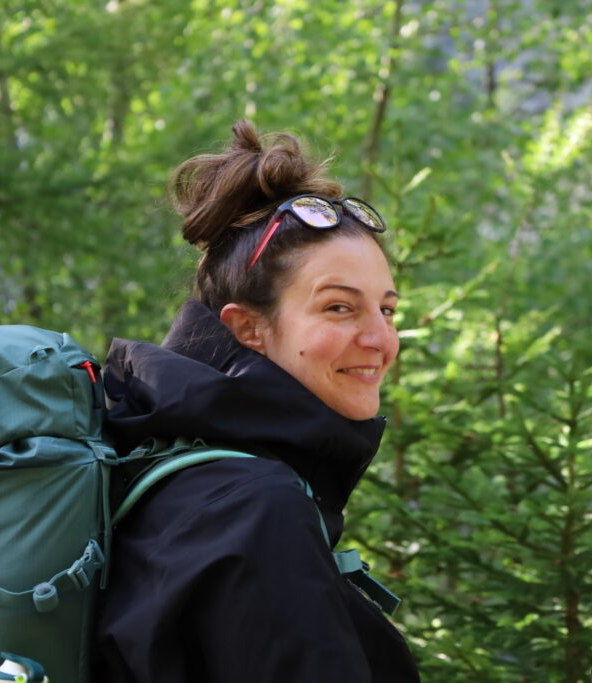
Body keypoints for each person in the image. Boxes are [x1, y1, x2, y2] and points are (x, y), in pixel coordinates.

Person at [94, 121, 420, 682]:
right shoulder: (254, 508)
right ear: (248, 327)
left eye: (386, 309)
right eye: (339, 308)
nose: (380, 339)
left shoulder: (165, 463)